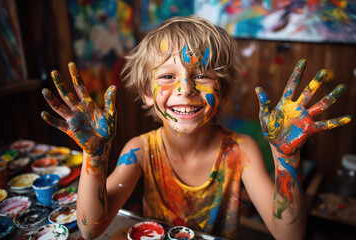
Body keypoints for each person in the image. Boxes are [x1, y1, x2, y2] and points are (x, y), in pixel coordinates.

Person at [41, 16, 351, 239]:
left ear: (223, 91)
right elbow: (90, 228)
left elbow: (289, 235)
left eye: (201, 75)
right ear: (147, 95)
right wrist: (94, 157)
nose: (185, 89)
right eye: (167, 76)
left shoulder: (241, 151)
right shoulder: (139, 150)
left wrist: (286, 159)